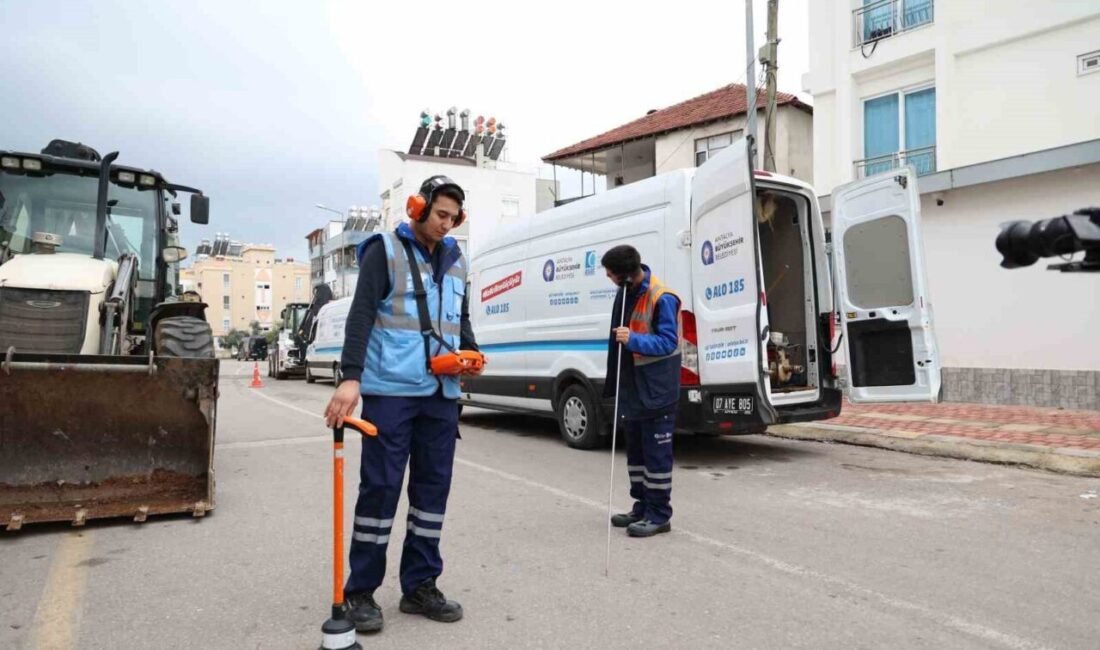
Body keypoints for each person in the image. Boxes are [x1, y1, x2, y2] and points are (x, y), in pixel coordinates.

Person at [324, 175, 481, 634]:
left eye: (454, 218)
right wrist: (350, 379)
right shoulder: (384, 251)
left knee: (432, 493)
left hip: (442, 395)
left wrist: (469, 353)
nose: (446, 225)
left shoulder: (456, 261)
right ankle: (361, 591)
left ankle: (420, 585)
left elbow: (460, 319)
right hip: (391, 391)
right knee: (381, 489)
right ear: (418, 208)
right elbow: (360, 315)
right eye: (440, 215)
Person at [602, 245, 682, 538]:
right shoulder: (625, 292)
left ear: (624, 275)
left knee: (656, 455)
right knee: (635, 452)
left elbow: (667, 342)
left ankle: (660, 515)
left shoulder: (662, 298)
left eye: (610, 274)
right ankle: (642, 506)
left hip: (657, 389)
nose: (608, 278)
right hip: (633, 387)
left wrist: (633, 339)